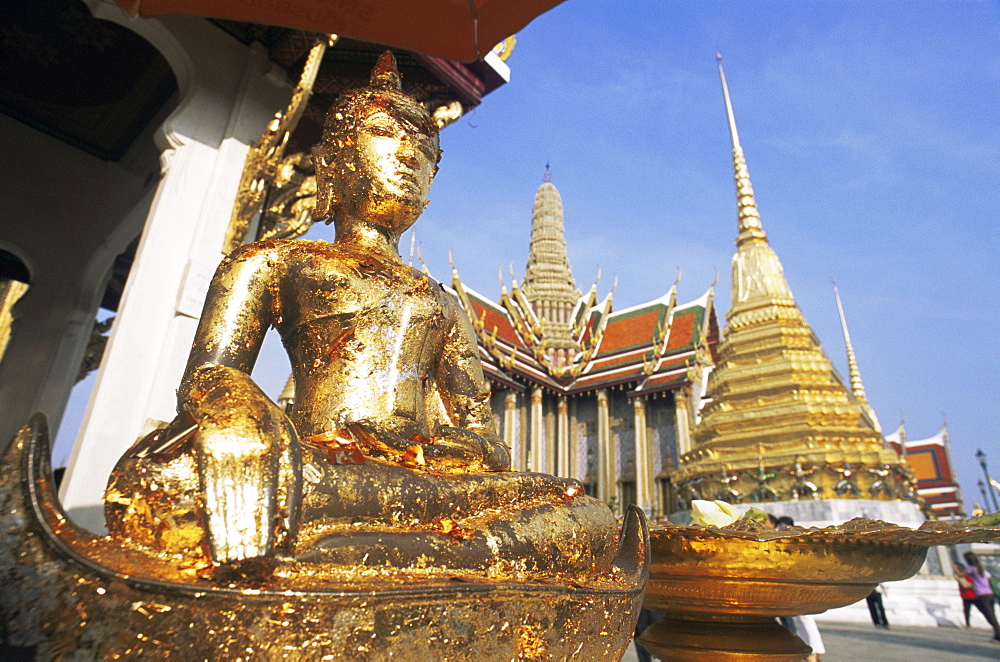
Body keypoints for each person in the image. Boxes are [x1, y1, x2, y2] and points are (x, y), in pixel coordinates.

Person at [104, 52, 622, 579]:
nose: (408, 157)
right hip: (318, 465)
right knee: (169, 487)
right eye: (384, 133)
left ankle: (404, 557)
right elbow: (207, 379)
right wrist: (243, 416)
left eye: (425, 151)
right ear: (334, 160)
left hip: (418, 483)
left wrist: (438, 446)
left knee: (586, 515)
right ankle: (434, 560)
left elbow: (484, 439)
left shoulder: (440, 302)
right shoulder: (273, 262)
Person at [963, 551, 1000, 642]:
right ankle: (996, 636)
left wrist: (956, 568)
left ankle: (999, 635)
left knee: (990, 617)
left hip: (982, 596)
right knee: (992, 616)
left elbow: (962, 575)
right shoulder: (982, 569)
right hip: (990, 594)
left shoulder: (971, 568)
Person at [955, 562, 978, 628]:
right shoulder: (959, 577)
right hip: (965, 596)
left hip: (972, 595)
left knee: (982, 609)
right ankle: (968, 624)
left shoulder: (967, 576)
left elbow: (966, 585)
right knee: (966, 610)